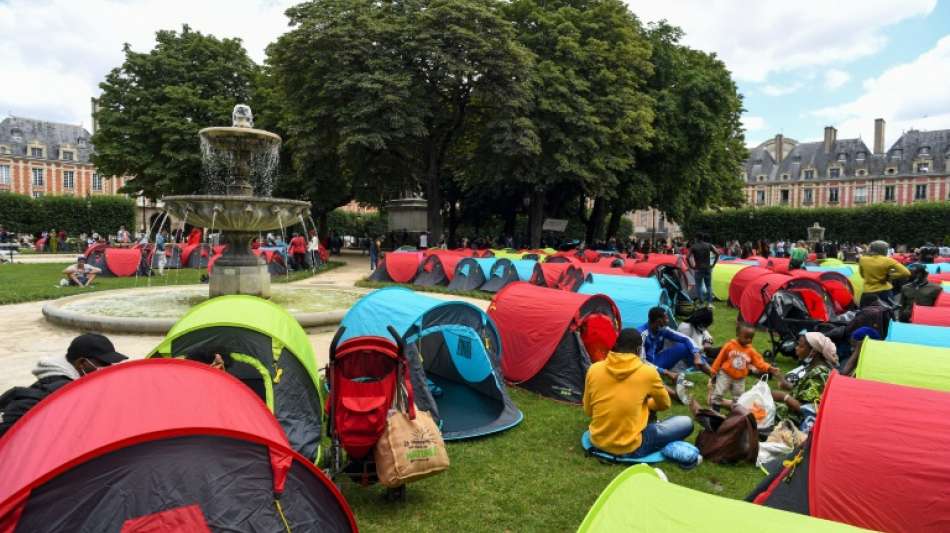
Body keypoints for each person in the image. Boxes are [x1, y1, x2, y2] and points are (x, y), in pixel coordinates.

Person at [583, 328, 694, 457]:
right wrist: (647, 404)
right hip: (631, 447)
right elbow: (665, 404)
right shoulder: (648, 373)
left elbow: (588, 411)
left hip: (598, 441)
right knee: (686, 422)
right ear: (638, 350)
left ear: (616, 345)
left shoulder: (594, 369)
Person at [0, 333, 127, 436]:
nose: (109, 367)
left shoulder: (53, 378)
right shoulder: (65, 392)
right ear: (81, 363)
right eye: (104, 363)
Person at [771, 332, 838, 429]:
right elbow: (803, 390)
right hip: (793, 415)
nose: (796, 348)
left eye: (800, 346)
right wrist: (783, 380)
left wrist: (783, 396)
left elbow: (808, 409)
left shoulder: (819, 374)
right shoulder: (813, 367)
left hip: (798, 422)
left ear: (813, 352)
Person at [707, 323, 780, 409]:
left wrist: (769, 368)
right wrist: (714, 369)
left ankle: (735, 411)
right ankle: (715, 408)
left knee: (739, 397)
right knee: (719, 391)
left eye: (751, 338)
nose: (748, 340)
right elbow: (720, 357)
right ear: (738, 334)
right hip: (725, 374)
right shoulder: (730, 345)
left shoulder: (751, 351)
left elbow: (759, 362)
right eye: (746, 337)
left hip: (740, 378)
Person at [638, 307, 711, 384]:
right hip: (645, 368)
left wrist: (696, 355)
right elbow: (641, 361)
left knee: (684, 346)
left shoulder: (662, 329)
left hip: (657, 360)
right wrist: (665, 372)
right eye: (666, 319)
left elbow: (686, 339)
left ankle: (712, 375)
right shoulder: (642, 335)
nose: (668, 321)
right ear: (659, 321)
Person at [858, 240, 910, 307]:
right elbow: (906, 272)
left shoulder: (863, 259)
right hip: (884, 291)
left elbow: (862, 275)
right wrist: (889, 276)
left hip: (868, 291)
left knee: (866, 313)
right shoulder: (888, 260)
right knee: (887, 313)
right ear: (884, 250)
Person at [688, 233, 718, 305]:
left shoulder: (694, 247)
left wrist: (691, 266)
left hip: (698, 268)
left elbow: (687, 257)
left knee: (699, 286)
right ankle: (710, 303)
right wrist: (713, 264)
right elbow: (717, 253)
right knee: (709, 286)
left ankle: (701, 302)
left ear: (697, 238)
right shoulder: (708, 245)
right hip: (707, 268)